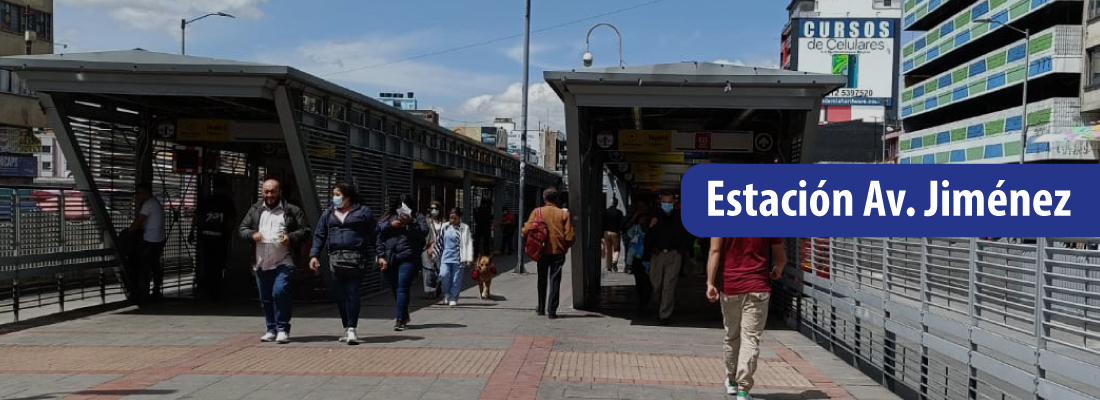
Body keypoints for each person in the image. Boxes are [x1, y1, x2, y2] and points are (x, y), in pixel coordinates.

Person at [706, 237, 787, 400]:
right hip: (757, 287)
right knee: (750, 339)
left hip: (731, 286)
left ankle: (732, 381)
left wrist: (710, 283)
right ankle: (743, 390)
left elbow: (714, 251)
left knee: (732, 335)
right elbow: (781, 257)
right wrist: (777, 269)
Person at [239, 179, 310, 344]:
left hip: (283, 261)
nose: (269, 195)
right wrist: (252, 235)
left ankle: (282, 329)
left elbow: (305, 230)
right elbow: (242, 229)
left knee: (279, 292)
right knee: (265, 298)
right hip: (261, 262)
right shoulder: (255, 210)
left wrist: (290, 237)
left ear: (279, 192)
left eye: (273, 191)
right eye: (266, 191)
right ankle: (271, 329)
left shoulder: (291, 210)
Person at [308, 183, 376, 345]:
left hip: (356, 258)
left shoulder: (363, 212)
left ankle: (352, 328)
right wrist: (314, 255)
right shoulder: (329, 213)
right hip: (335, 258)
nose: (335, 198)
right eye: (334, 194)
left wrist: (380, 254)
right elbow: (320, 235)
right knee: (340, 295)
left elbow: (375, 234)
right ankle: (346, 326)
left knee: (352, 291)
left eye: (338, 194)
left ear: (347, 196)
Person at [376, 194, 427, 331]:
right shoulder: (388, 217)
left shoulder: (417, 217)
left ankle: (399, 320)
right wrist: (391, 225)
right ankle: (404, 314)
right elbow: (378, 233)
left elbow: (423, 232)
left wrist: (411, 222)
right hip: (390, 257)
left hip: (408, 257)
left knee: (403, 287)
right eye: (400, 206)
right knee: (395, 287)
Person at [522, 187, 575, 319]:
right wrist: (565, 248)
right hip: (558, 251)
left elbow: (526, 230)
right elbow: (570, 237)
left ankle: (541, 308)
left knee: (542, 279)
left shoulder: (537, 212)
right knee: (555, 280)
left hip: (541, 251)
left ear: (544, 198)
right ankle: (552, 311)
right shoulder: (563, 214)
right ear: (557, 199)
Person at [645, 192, 691, 326]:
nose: (667, 205)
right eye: (664, 202)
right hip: (657, 255)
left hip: (674, 254)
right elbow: (646, 236)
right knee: (656, 285)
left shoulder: (680, 217)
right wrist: (650, 226)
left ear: (674, 203)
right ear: (660, 203)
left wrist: (681, 252)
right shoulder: (654, 216)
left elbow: (686, 235)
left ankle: (664, 314)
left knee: (669, 285)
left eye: (669, 202)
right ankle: (661, 304)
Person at [189, 178, 235, 301]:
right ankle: (216, 290)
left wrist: (192, 231)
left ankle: (209, 289)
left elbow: (197, 216)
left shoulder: (206, 200)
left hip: (206, 237)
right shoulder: (227, 202)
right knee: (219, 264)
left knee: (208, 263)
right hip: (220, 239)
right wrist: (228, 233)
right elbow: (231, 221)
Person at [127, 183, 166, 303]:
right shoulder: (156, 202)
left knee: (144, 266)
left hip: (150, 240)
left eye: (139, 193)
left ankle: (143, 293)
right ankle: (156, 290)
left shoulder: (148, 204)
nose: (137, 196)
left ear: (146, 192)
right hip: (159, 239)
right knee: (155, 265)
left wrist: (127, 232)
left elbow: (139, 221)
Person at [623, 197, 653, 317]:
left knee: (648, 281)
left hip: (650, 255)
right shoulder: (633, 220)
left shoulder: (652, 219)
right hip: (637, 257)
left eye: (642, 206)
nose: (641, 208)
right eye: (638, 206)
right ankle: (642, 303)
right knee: (640, 282)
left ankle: (645, 301)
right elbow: (625, 229)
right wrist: (635, 216)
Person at [438, 207, 474, 306]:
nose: (453, 220)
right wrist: (435, 254)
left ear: (459, 218)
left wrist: (469, 258)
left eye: (455, 218)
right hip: (446, 256)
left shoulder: (464, 228)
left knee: (456, 279)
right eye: (451, 218)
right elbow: (439, 241)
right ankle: (446, 294)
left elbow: (468, 243)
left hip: (459, 258)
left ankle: (454, 297)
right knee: (444, 275)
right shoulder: (445, 227)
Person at [423, 200, 447, 300]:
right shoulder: (426, 221)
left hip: (441, 249)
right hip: (428, 249)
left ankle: (438, 287)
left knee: (440, 270)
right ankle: (430, 292)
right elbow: (423, 235)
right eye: (432, 208)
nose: (434, 210)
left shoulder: (444, 222)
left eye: (436, 208)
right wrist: (429, 245)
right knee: (429, 270)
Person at [603, 198, 624, 273]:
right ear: (616, 204)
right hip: (615, 232)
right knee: (616, 249)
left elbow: (602, 222)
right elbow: (621, 223)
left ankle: (609, 267)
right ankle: (614, 261)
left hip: (606, 232)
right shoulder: (619, 213)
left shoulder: (605, 212)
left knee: (608, 250)